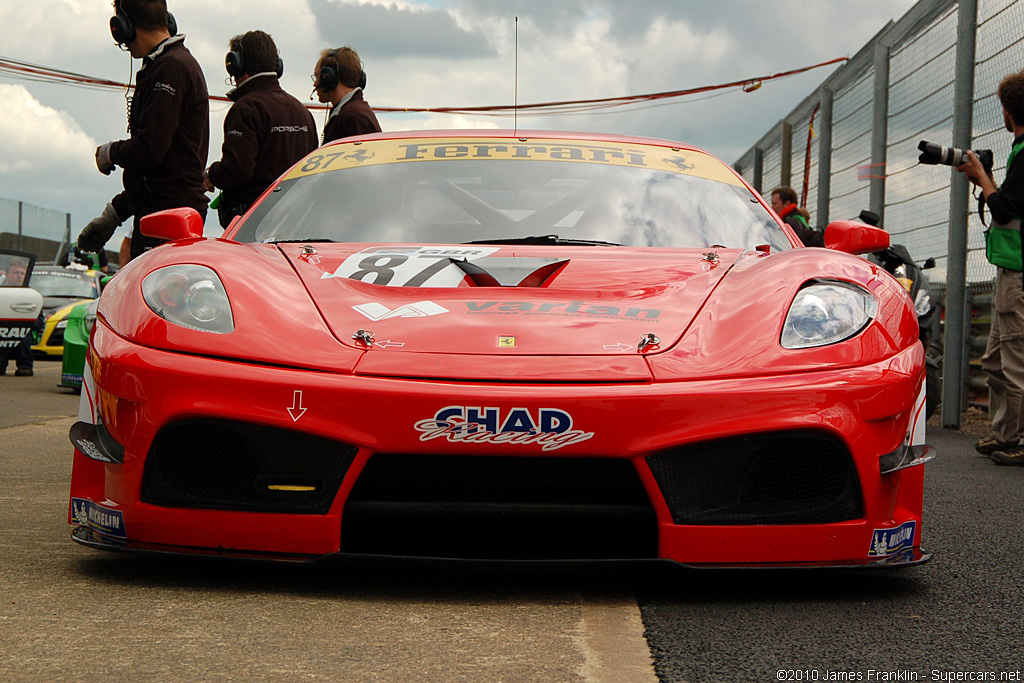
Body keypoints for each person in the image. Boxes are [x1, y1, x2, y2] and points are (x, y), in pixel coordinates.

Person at [77, 0, 209, 263]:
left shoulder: (169, 68)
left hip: (166, 220)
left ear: (124, 27)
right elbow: (161, 171)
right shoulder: (172, 64)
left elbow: (151, 148)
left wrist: (111, 152)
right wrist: (115, 213)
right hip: (166, 213)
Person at [956, 69, 1024, 466]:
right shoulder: (1019, 152)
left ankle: (1018, 438)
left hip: (1018, 271)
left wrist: (982, 177)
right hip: (1009, 269)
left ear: (1008, 110)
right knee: (996, 358)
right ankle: (1006, 433)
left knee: (1014, 359)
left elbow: (1004, 208)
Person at [205, 30, 318, 228]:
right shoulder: (302, 112)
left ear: (236, 63)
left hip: (253, 227)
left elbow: (236, 170)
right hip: (296, 225)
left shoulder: (246, 109)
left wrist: (210, 175)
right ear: (276, 65)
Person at [312, 46, 381, 145]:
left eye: (318, 76)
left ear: (329, 77)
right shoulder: (353, 112)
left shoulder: (352, 117)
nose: (315, 83)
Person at [0, 256, 37, 377]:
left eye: (22, 273)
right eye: (16, 272)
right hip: (1, 328)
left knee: (24, 333)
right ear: (7, 274)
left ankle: (25, 366)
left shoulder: (31, 294)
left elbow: (39, 321)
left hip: (21, 330)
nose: (19, 276)